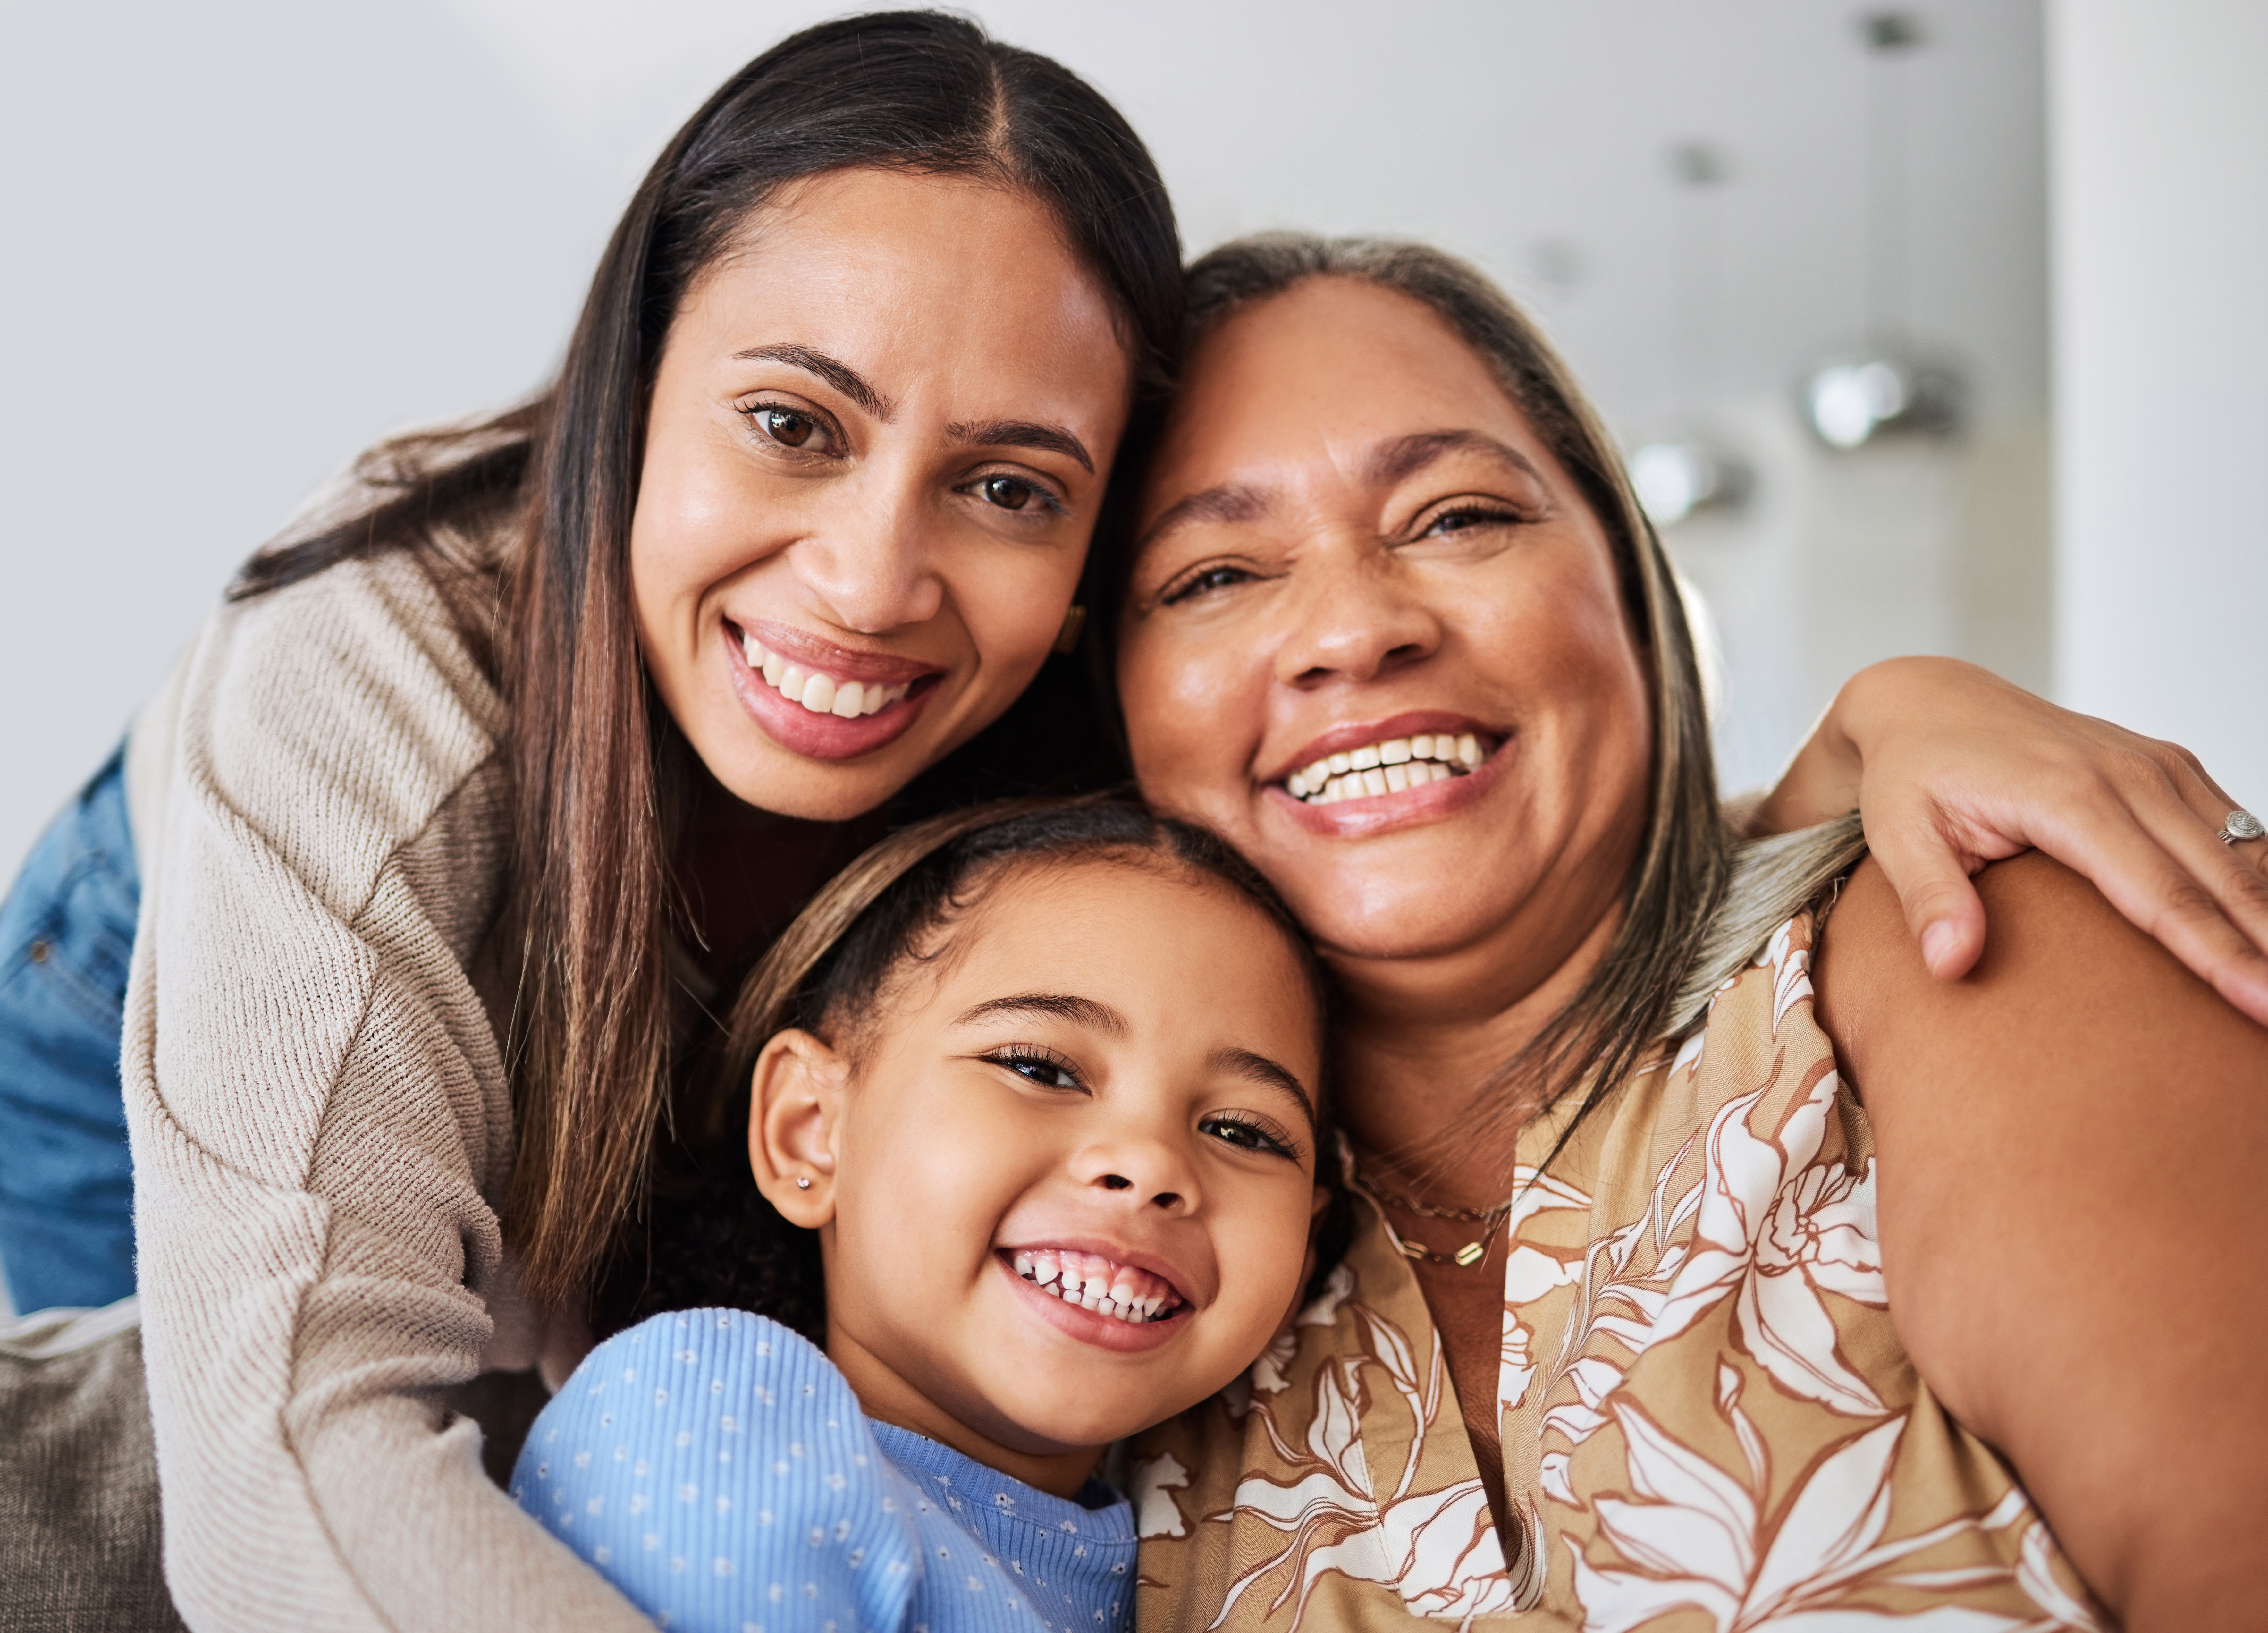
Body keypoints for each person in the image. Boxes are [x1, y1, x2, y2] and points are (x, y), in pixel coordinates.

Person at [0, 11, 2259, 1631]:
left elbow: (1501, 839)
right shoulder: (398, 661)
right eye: (790, 418)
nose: (879, 571)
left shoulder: (1133, 812)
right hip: (170, 1069)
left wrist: (1863, 730)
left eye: (1006, 483)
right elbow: (286, 1457)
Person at [1112, 235, 2268, 1629]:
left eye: (1456, 517)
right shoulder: (1094, 1238)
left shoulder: (1953, 933)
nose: (1353, 632)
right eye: (1212, 576)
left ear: (1630, 583)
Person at [514, 797, 1333, 1633]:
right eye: (1040, 1068)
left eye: (1242, 1130)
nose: (1151, 1163)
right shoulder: (711, 1408)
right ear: (811, 1131)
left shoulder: (1245, 1572)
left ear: (1303, 1250)